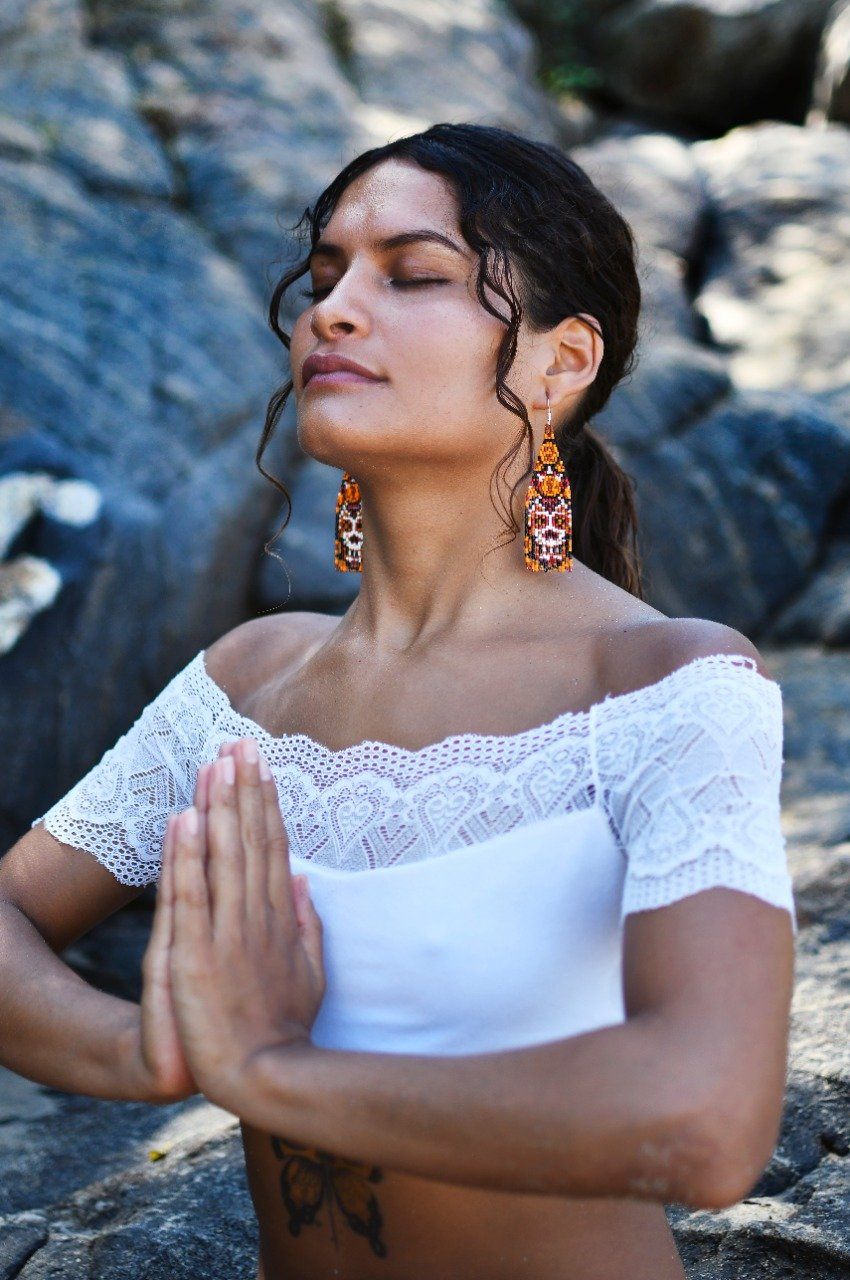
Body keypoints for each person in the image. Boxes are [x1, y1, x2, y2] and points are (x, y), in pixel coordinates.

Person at [1, 123, 796, 1280]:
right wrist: (150, 1049)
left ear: (561, 362)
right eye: (324, 277)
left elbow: (708, 1120)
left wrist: (268, 1069)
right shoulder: (248, 682)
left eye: (413, 275)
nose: (332, 311)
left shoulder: (659, 684)